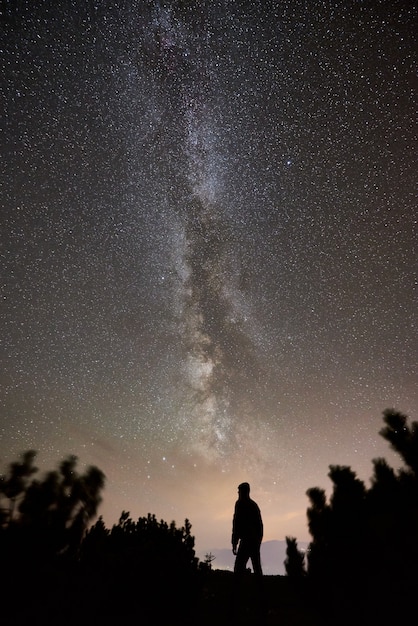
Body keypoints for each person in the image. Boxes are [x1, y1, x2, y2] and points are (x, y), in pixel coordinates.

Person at [231, 482, 263, 576]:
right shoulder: (253, 505)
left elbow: (236, 524)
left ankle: (239, 589)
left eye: (239, 491)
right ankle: (259, 588)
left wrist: (234, 542)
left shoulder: (240, 504)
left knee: (239, 567)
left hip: (248, 540)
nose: (238, 493)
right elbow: (260, 526)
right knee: (256, 566)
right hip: (252, 540)